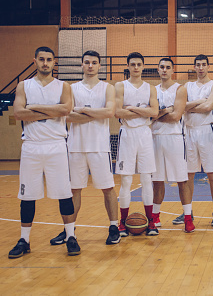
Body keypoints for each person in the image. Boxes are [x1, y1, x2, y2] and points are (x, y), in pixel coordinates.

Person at [9, 46, 80, 258]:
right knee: (27, 196)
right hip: (31, 146)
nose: (45, 63)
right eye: (41, 59)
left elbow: (65, 110)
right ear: (35, 61)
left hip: (56, 145)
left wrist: (34, 109)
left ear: (54, 62)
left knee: (64, 194)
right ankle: (24, 240)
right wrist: (51, 110)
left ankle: (70, 237)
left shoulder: (63, 86)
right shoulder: (24, 85)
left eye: (49, 59)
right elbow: (19, 113)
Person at [49, 50, 120, 246]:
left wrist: (85, 110)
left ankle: (114, 227)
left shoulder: (107, 88)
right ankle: (68, 231)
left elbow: (110, 112)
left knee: (108, 188)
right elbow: (67, 116)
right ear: (82, 65)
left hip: (99, 147)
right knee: (73, 190)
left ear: (99, 66)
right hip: (75, 147)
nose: (90, 65)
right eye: (87, 62)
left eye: (94, 62)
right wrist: (95, 114)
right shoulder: (71, 88)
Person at [172, 54, 213, 226]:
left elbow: (209, 107)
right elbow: (181, 107)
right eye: (198, 65)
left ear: (209, 66)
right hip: (188, 132)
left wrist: (191, 106)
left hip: (206, 131)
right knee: (188, 175)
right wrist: (200, 102)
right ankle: (188, 212)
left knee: (212, 173)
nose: (201, 67)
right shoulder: (187, 86)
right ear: (194, 67)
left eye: (203, 65)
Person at [115, 52, 159, 237]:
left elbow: (155, 112)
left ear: (143, 66)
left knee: (146, 179)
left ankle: (151, 223)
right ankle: (123, 223)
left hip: (144, 134)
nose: (135, 67)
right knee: (126, 180)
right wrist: (144, 111)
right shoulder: (120, 86)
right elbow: (117, 112)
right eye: (132, 64)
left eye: (138, 64)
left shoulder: (150, 88)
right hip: (127, 134)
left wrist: (131, 108)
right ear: (128, 66)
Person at [151, 58, 193, 232]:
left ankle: (188, 218)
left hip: (175, 138)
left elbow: (176, 116)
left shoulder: (180, 89)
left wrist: (157, 115)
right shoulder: (151, 90)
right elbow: (150, 115)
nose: (164, 70)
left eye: (168, 67)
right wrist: (164, 111)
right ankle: (155, 216)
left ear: (173, 70)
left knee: (182, 180)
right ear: (158, 70)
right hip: (155, 137)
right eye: (162, 67)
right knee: (157, 180)